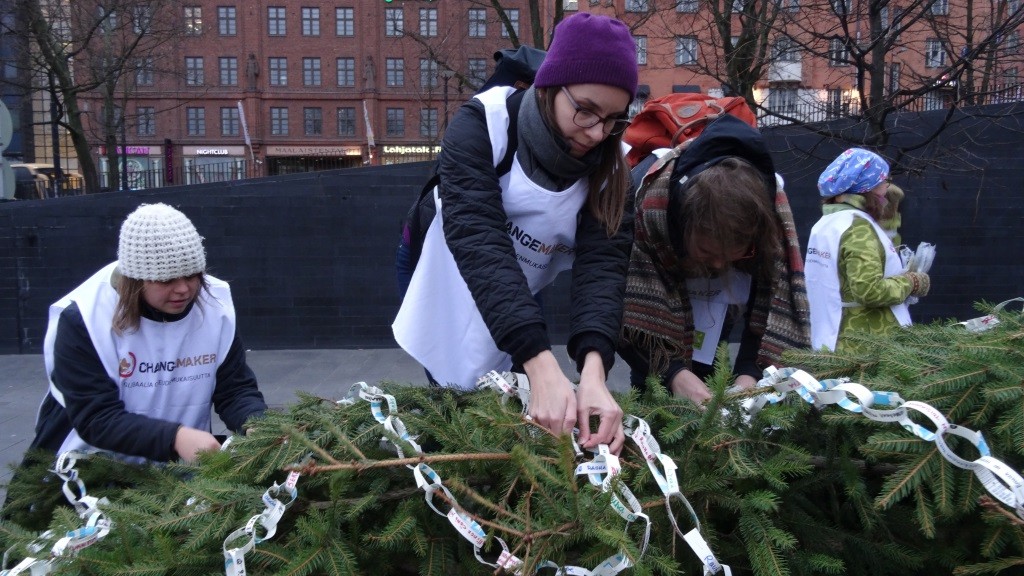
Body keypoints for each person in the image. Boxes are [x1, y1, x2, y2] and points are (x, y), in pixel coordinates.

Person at [393, 13, 637, 452]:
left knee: (526, 385)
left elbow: (603, 269)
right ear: (549, 87)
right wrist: (542, 366)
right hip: (443, 263)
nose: (598, 133)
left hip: (523, 280)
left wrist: (594, 373)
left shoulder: (612, 168)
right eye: (585, 110)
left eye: (615, 119)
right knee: (462, 394)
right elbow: (479, 241)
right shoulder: (482, 124)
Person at [29, 203, 267, 463]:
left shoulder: (216, 306)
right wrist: (175, 438)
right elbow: (96, 417)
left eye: (192, 275)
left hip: (176, 471)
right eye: (166, 280)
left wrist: (256, 425)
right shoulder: (84, 318)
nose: (183, 290)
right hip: (88, 467)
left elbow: (234, 389)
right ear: (135, 280)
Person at [618, 114, 811, 404]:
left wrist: (749, 377)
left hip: (717, 325)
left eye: (735, 255)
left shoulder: (771, 221)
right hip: (657, 330)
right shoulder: (647, 207)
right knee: (655, 395)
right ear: (684, 228)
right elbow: (621, 311)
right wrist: (673, 374)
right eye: (707, 253)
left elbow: (770, 312)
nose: (719, 266)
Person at [805, 149, 930, 352]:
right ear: (866, 188)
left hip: (835, 336)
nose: (886, 189)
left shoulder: (826, 223)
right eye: (883, 181)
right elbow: (869, 291)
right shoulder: (857, 227)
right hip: (869, 344)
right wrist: (912, 282)